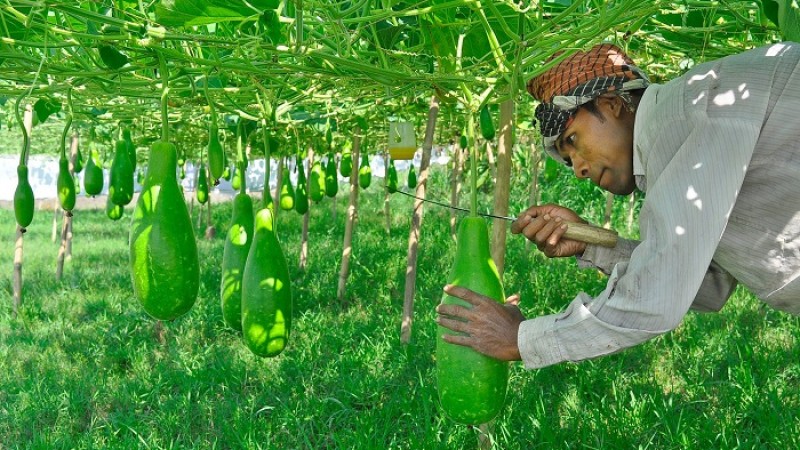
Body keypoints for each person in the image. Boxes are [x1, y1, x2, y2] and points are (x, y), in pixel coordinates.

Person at [435, 41, 800, 369]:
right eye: (568, 160)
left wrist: (521, 339)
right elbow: (710, 286)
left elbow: (657, 298)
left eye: (573, 140)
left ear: (612, 104)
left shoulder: (685, 116)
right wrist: (590, 243)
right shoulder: (679, 151)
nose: (578, 169)